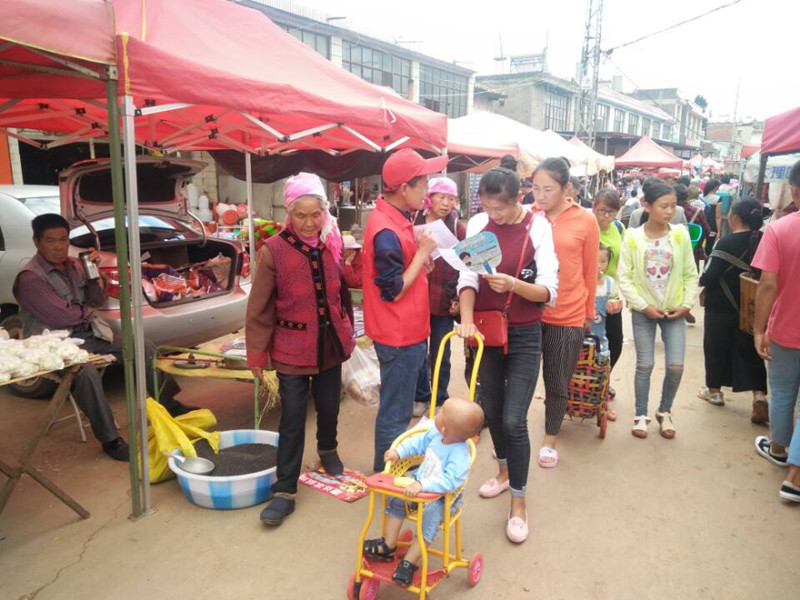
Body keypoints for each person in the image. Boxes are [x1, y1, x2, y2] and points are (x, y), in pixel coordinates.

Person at [12, 214, 191, 462]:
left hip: (87, 334)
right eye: (50, 241)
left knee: (143, 346)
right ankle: (110, 439)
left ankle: (167, 402)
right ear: (37, 242)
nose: (58, 246)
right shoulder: (30, 278)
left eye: (63, 240)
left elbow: (96, 300)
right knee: (85, 372)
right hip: (52, 345)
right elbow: (64, 317)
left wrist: (93, 273)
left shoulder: (76, 265)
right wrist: (86, 311)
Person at [456, 167, 558, 543]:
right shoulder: (479, 224)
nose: (493, 216)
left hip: (525, 334)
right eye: (487, 207)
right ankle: (503, 472)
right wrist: (466, 320)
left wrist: (515, 284)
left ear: (518, 199)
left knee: (515, 419)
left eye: (500, 209)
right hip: (485, 334)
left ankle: (519, 502)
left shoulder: (539, 228)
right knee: (492, 411)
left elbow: (549, 291)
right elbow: (467, 279)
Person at [246, 173, 355, 525]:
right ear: (288, 214)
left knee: (328, 405)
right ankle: (285, 489)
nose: (309, 223)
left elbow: (341, 294)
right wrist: (257, 354)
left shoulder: (330, 245)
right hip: (291, 349)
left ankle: (328, 449)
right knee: (292, 418)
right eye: (300, 215)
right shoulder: (273, 250)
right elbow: (259, 307)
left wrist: (348, 330)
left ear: (325, 212)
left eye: (315, 214)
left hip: (329, 345)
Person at [363, 148, 447, 472]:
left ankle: (389, 471)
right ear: (403, 188)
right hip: (397, 332)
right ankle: (386, 475)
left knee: (398, 408)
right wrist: (422, 252)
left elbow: (399, 279)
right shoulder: (386, 229)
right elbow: (393, 290)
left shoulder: (395, 219)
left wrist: (418, 264)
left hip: (405, 329)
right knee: (396, 412)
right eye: (423, 183)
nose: (426, 191)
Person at [361, 398, 484, 585]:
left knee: (430, 516)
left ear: (445, 430)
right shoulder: (436, 434)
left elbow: (449, 482)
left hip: (443, 499)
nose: (436, 414)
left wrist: (422, 485)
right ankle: (388, 544)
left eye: (441, 414)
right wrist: (399, 452)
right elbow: (417, 442)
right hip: (420, 481)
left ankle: (409, 562)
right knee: (396, 497)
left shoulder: (459, 455)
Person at [618, 182, 699, 440]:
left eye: (673, 206)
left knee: (676, 365)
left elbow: (690, 272)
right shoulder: (632, 237)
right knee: (646, 364)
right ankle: (641, 413)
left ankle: (665, 411)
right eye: (664, 206)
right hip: (644, 311)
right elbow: (625, 278)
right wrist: (643, 306)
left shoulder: (680, 235)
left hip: (674, 310)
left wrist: (686, 305)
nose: (670, 211)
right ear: (647, 205)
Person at [534, 157, 599, 468]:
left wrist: (588, 314)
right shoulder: (530, 217)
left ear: (566, 188)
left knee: (558, 381)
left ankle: (550, 438)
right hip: (529, 313)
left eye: (548, 189)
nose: (540, 196)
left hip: (568, 314)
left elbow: (589, 271)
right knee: (520, 379)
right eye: (535, 188)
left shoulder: (585, 220)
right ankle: (514, 435)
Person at [752, 159, 800, 502]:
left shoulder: (780, 229)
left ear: (794, 189)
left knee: (782, 392)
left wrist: (758, 328)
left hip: (785, 327)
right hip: (785, 327)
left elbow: (767, 284)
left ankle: (782, 452)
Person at [698, 198, 767, 423]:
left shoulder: (725, 242)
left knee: (716, 346)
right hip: (753, 306)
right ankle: (759, 395)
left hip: (721, 306)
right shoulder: (764, 241)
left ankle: (715, 391)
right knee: (750, 350)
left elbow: (708, 277)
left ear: (734, 217)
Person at [412, 177, 466, 417]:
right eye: (441, 197)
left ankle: (440, 397)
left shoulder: (457, 228)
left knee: (441, 351)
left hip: (445, 298)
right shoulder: (414, 222)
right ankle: (422, 395)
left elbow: (467, 265)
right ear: (429, 198)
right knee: (418, 352)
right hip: (418, 298)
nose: (446, 203)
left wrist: (457, 297)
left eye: (451, 199)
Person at [592, 189, 625, 372]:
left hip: (610, 292)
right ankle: (587, 381)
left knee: (615, 342)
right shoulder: (586, 227)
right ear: (594, 208)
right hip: (588, 293)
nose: (606, 216)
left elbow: (624, 259)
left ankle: (603, 378)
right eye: (602, 210)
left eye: (611, 212)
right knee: (589, 342)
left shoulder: (619, 228)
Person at [702, 179, 721, 256]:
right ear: (715, 188)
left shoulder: (701, 197)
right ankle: (706, 265)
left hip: (701, 225)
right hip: (711, 226)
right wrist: (719, 231)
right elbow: (718, 216)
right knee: (709, 248)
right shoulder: (718, 198)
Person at [716, 174, 735, 240]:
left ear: (721, 181)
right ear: (728, 181)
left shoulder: (718, 188)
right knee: (725, 227)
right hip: (727, 212)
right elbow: (734, 201)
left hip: (717, 210)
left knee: (718, 226)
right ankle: (723, 239)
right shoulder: (731, 189)